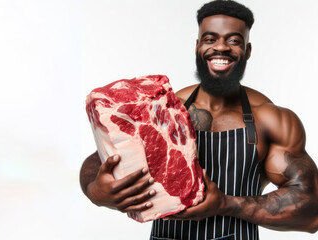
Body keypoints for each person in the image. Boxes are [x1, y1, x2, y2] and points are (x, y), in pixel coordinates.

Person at [79, 0, 318, 239]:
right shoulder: (164, 109)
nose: (221, 48)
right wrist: (96, 191)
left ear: (247, 50)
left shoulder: (270, 119)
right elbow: (101, 160)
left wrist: (227, 204)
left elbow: (311, 210)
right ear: (197, 46)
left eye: (233, 40)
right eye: (210, 39)